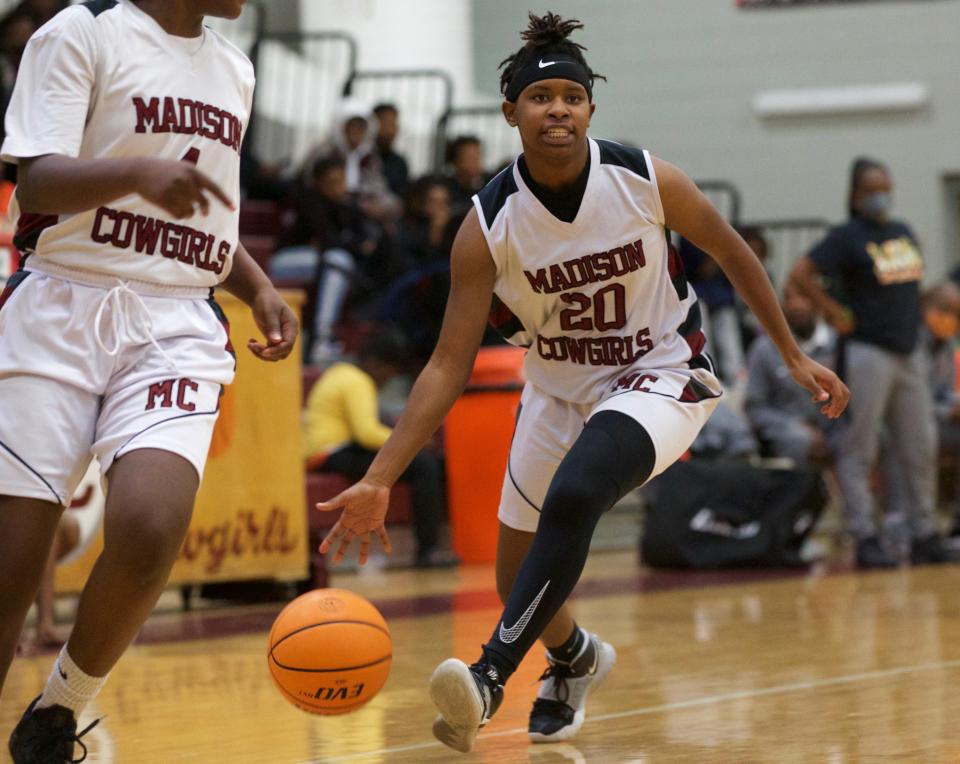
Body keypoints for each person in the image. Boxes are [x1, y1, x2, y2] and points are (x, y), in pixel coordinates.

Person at [316, 11, 847, 754]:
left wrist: (791, 355)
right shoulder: (487, 223)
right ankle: (575, 660)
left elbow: (729, 250)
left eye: (571, 96)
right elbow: (446, 362)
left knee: (577, 491)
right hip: (558, 388)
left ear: (590, 108)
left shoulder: (641, 178)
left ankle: (492, 674)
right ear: (512, 113)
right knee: (516, 577)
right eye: (541, 98)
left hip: (661, 371)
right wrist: (380, 477)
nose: (557, 109)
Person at [0, 2, 298, 762]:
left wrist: (255, 284)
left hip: (172, 324)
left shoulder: (235, 67)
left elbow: (201, 218)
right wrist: (135, 172)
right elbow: (35, 185)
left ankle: (59, 711)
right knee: (8, 565)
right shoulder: (81, 32)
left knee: (152, 525)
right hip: (60, 307)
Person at [789, 157, 949, 568]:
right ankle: (864, 535)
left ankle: (923, 531)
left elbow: (910, 287)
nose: (882, 195)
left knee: (920, 444)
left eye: (886, 187)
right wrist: (832, 309)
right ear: (856, 195)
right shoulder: (846, 236)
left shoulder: (902, 231)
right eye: (872, 189)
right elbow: (800, 274)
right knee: (860, 445)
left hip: (909, 350)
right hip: (867, 351)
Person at [304, 328, 457, 568]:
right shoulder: (357, 380)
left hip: (326, 453)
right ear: (374, 362)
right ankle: (428, 550)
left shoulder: (340, 373)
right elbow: (366, 433)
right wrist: (413, 443)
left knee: (420, 464)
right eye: (388, 372)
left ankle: (430, 547)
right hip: (332, 453)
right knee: (424, 465)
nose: (387, 380)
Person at [745, 282, 835, 467]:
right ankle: (803, 495)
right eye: (789, 299)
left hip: (834, 426)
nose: (795, 305)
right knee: (799, 439)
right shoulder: (764, 349)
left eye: (802, 297)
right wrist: (795, 426)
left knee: (875, 436)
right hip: (788, 429)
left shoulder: (838, 344)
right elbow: (755, 409)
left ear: (817, 301)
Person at [444, 134, 487, 217]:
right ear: (455, 160)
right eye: (470, 158)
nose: (476, 163)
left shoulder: (487, 186)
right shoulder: (445, 190)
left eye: (477, 157)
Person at [372, 102, 409, 198]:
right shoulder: (363, 158)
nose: (391, 130)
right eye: (386, 123)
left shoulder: (399, 163)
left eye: (393, 123)